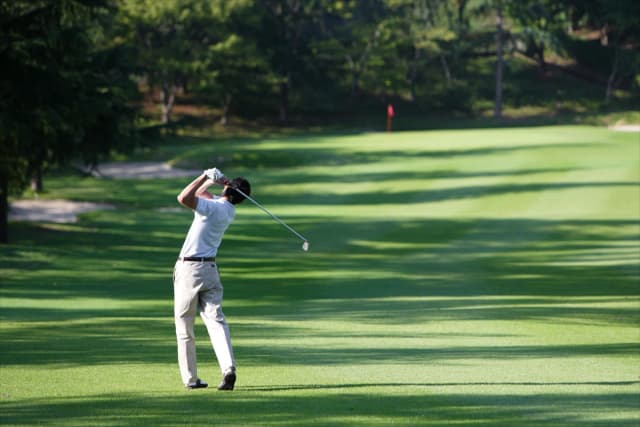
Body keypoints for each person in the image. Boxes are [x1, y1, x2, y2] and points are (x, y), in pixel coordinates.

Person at [173, 168, 251, 391]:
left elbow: (184, 197)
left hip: (189, 269)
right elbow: (203, 196)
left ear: (227, 189)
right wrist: (214, 182)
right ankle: (228, 369)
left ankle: (191, 379)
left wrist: (204, 177)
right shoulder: (227, 210)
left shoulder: (213, 208)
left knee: (185, 326)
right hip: (210, 270)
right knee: (216, 322)